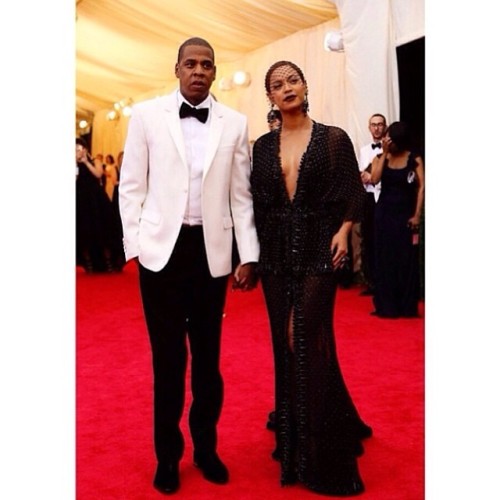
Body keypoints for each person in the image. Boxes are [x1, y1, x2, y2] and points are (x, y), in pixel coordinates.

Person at [118, 37, 259, 495]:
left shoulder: (235, 123)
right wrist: (135, 244)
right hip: (162, 253)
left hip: (211, 254)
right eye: (191, 64)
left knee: (208, 361)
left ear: (215, 72)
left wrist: (249, 254)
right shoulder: (145, 116)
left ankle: (206, 448)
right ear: (177, 68)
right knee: (168, 360)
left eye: (207, 65)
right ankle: (167, 457)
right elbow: (131, 185)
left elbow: (241, 195)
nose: (199, 71)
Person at [250, 61, 372, 496]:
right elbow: (257, 206)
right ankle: (303, 433)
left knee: (300, 336)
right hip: (276, 257)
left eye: (293, 80)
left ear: (305, 86)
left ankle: (323, 453)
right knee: (294, 346)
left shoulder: (332, 138)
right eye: (277, 85)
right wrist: (249, 259)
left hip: (320, 248)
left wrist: (343, 230)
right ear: (270, 97)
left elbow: (354, 191)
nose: (287, 89)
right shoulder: (262, 148)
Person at [370, 121, 424, 318]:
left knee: (405, 259)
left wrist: (417, 214)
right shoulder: (380, 157)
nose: (386, 139)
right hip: (384, 214)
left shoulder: (414, 158)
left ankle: (406, 305)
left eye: (390, 137)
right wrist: (384, 153)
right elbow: (374, 179)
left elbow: (422, 186)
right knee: (385, 259)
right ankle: (387, 305)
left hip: (405, 215)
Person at [357, 113, 387, 295]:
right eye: (373, 125)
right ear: (369, 128)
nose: (377, 128)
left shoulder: (391, 150)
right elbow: (361, 174)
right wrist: (368, 175)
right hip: (368, 199)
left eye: (380, 125)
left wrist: (374, 176)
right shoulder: (364, 150)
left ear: (385, 127)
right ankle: (372, 282)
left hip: (384, 197)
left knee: (383, 241)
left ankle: (385, 282)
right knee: (368, 240)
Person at [75, 138, 113, 273]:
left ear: (85, 149)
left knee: (101, 228)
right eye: (75, 150)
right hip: (81, 200)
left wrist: (85, 162)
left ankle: (108, 261)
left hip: (96, 200)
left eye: (80, 149)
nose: (78, 152)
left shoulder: (95, 161)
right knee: (85, 230)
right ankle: (88, 262)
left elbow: (98, 174)